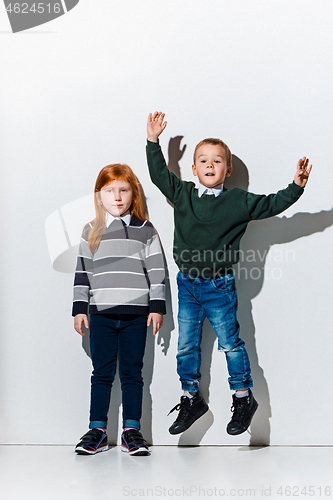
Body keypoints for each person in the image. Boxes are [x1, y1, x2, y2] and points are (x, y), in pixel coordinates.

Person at [146, 111, 312, 436]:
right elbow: (159, 176)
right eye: (203, 161)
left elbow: (273, 204)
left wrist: (297, 186)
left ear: (228, 169)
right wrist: (154, 141)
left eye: (217, 161)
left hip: (219, 286)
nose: (210, 165)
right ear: (194, 169)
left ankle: (243, 397)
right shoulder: (184, 195)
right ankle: (190, 398)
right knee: (186, 345)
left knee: (230, 344)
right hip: (187, 285)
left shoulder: (238, 201)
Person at [72, 163, 166, 456]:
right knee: (101, 373)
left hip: (136, 315)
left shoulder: (145, 229)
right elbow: (82, 273)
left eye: (123, 190)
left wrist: (157, 307)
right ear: (99, 196)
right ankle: (97, 430)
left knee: (132, 373)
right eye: (110, 191)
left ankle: (131, 431)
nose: (117, 197)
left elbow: (157, 270)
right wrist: (79, 309)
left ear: (132, 194)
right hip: (100, 314)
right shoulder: (91, 231)